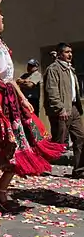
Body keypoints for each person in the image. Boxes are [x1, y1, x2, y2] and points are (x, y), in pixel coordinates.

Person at [0, 0, 65, 216]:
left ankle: (0, 188)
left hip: (7, 97)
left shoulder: (1, 44)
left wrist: (22, 97)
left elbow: (9, 79)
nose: (2, 16)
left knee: (20, 145)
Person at [44, 43, 84, 179]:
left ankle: (79, 170)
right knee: (58, 142)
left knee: (80, 138)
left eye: (71, 52)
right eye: (67, 52)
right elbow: (52, 91)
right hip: (61, 109)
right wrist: (60, 108)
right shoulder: (53, 69)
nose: (70, 54)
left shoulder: (70, 69)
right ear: (60, 54)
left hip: (74, 108)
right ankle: (40, 163)